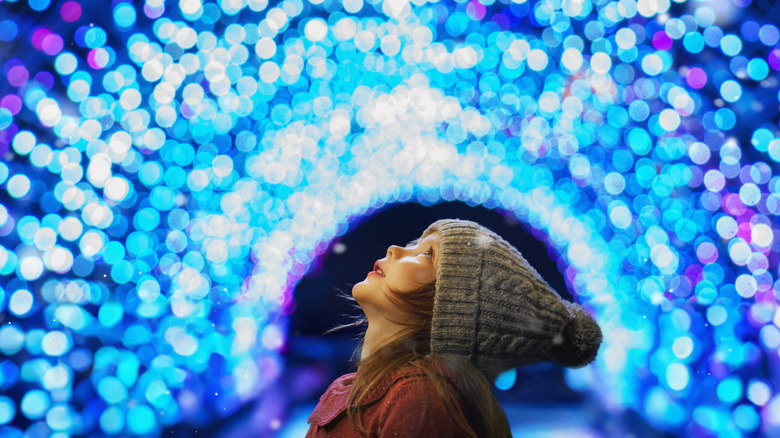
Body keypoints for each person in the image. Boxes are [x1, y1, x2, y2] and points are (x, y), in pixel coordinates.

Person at [306, 219, 603, 437]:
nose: (395, 249)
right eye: (414, 245)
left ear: (450, 306)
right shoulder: (372, 389)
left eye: (426, 254)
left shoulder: (417, 401)